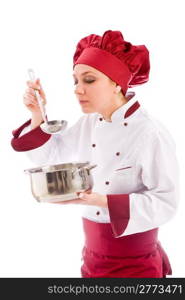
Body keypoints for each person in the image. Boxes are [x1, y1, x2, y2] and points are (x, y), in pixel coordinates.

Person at [11, 30, 179, 278]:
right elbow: (51, 157)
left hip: (136, 264)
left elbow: (166, 203)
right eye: (75, 81)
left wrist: (102, 201)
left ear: (116, 83)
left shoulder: (149, 133)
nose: (78, 89)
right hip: (92, 259)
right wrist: (38, 113)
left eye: (88, 80)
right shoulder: (89, 122)